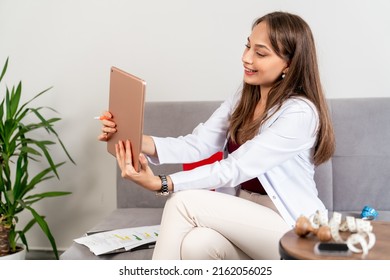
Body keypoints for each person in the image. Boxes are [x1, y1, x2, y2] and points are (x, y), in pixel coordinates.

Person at [98, 11, 335, 260]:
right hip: (247, 213)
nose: (246, 58)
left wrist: (162, 183)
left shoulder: (299, 113)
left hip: (290, 228)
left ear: (289, 64)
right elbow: (198, 144)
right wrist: (134, 139)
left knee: (183, 201)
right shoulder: (244, 97)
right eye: (248, 46)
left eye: (260, 53)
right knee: (196, 244)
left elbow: (235, 168)